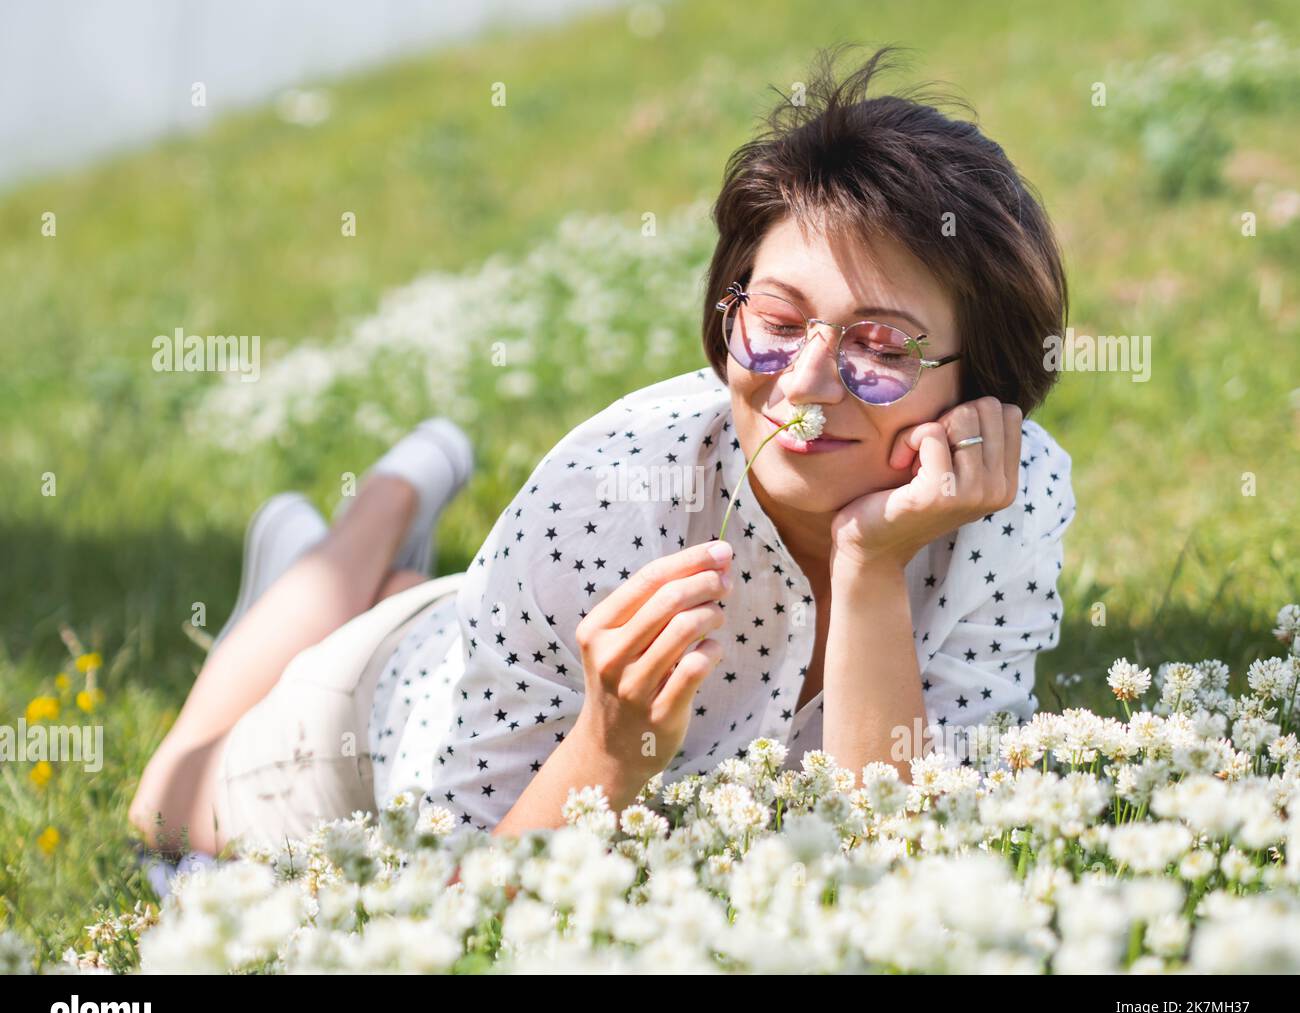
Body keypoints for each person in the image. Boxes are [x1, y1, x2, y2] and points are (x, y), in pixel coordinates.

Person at [129, 43, 1075, 858]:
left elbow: (898, 876)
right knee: (164, 808)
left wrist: (872, 564)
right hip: (379, 731)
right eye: (778, 321)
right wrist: (612, 749)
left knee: (424, 611)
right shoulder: (607, 492)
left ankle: (379, 563)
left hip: (499, 621)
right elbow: (465, 911)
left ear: (978, 385)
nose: (806, 384)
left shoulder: (1012, 500)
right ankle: (372, 516)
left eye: (880, 347)